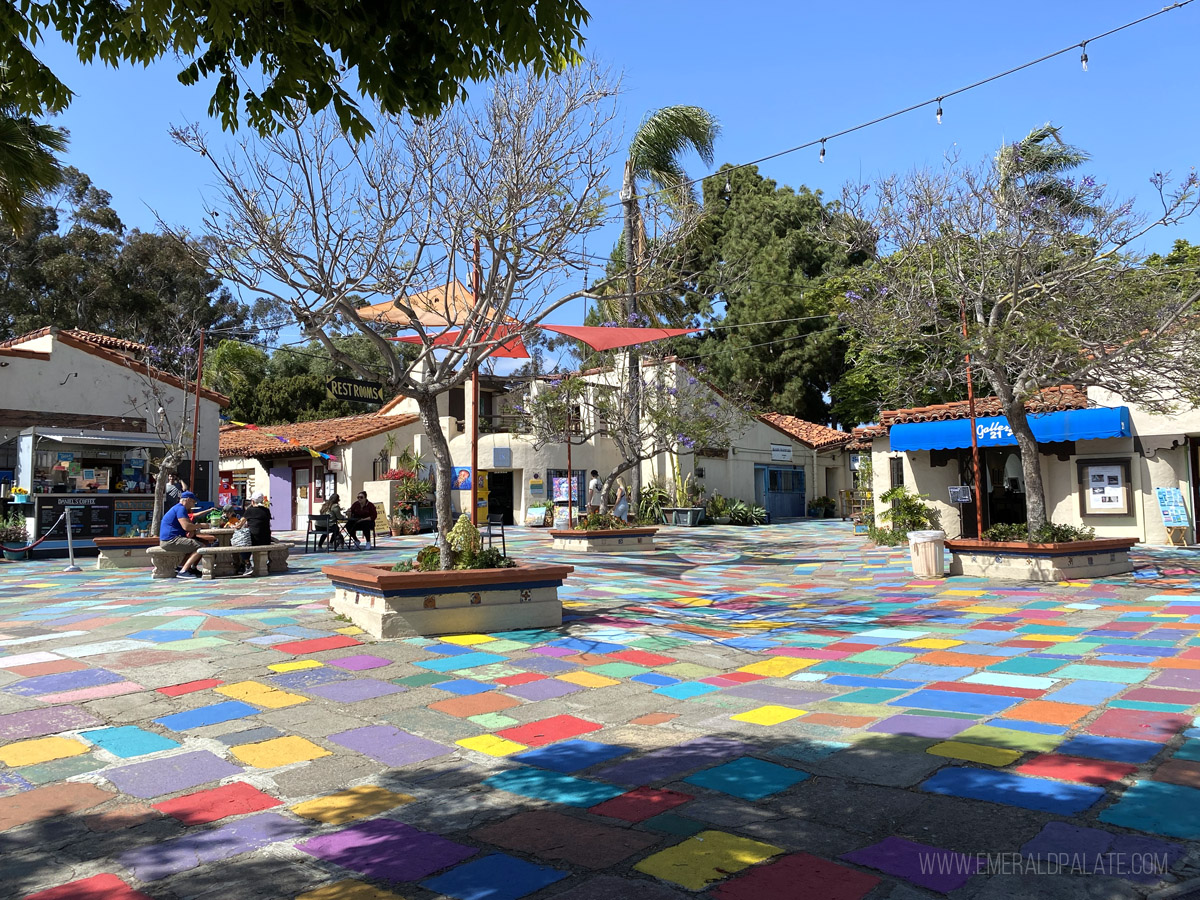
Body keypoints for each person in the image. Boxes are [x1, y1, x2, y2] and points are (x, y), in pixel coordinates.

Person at [159, 490, 215, 578]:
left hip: (170, 539)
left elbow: (189, 527)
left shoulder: (179, 508)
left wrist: (192, 529)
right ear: (188, 500)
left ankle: (185, 567)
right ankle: (183, 571)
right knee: (201, 547)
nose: (193, 505)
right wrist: (200, 525)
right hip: (170, 540)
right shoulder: (180, 508)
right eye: (193, 502)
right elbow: (187, 526)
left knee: (201, 542)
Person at [241, 492, 273, 575]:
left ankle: (247, 564)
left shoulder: (249, 510)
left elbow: (240, 524)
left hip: (254, 538)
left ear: (252, 501)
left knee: (241, 544)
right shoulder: (266, 510)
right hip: (266, 538)